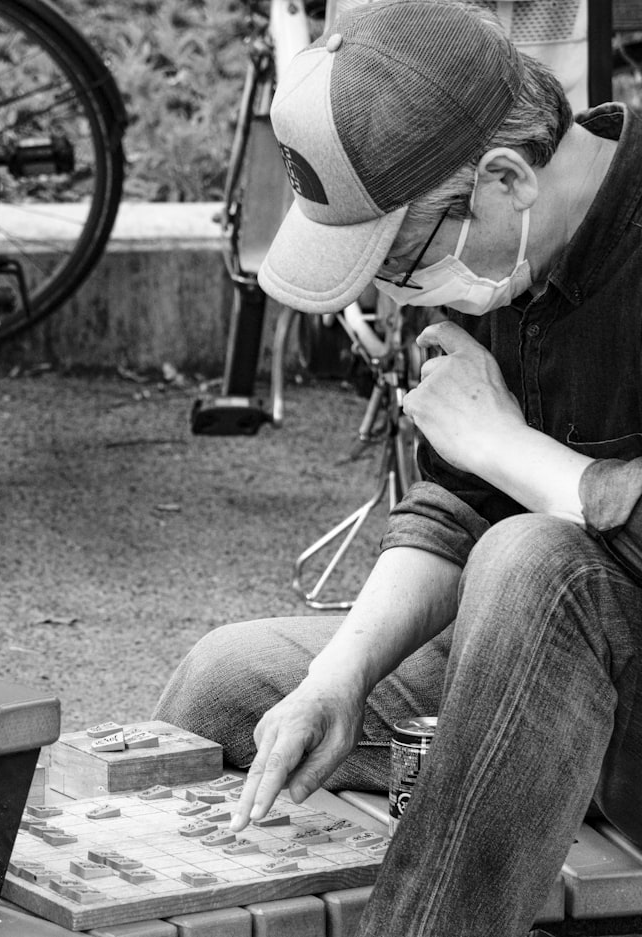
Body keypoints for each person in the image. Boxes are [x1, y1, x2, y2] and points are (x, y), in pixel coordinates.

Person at [155, 2, 642, 934]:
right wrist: (340, 676)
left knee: (534, 561)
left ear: (505, 179)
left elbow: (525, 518)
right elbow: (456, 505)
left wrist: (511, 447)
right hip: (534, 680)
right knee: (232, 681)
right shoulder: (503, 245)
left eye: (400, 256)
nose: (393, 293)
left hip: (612, 695)